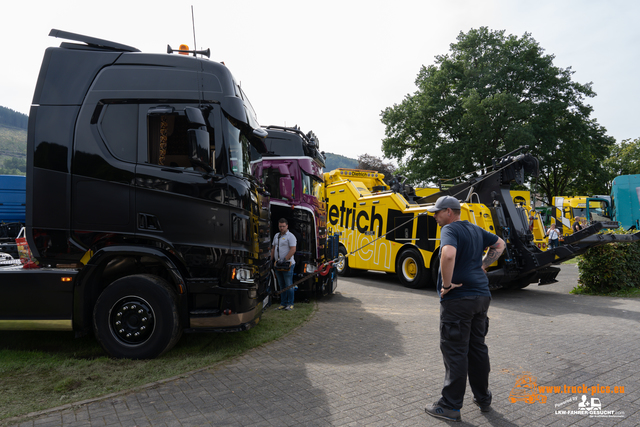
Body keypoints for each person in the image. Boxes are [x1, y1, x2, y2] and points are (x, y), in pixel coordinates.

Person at [424, 196, 506, 422]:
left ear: (449, 212)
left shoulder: (450, 230)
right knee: (477, 348)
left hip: (459, 300)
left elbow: (448, 254)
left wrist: (447, 285)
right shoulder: (476, 230)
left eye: (437, 213)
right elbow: (500, 244)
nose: (434, 217)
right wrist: (483, 265)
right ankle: (483, 398)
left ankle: (450, 406)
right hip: (481, 296)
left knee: (455, 351)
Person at [271, 218, 297, 310]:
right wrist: (271, 260)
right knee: (281, 285)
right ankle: (283, 304)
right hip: (278, 264)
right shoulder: (276, 236)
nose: (281, 228)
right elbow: (273, 248)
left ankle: (290, 304)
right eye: (280, 226)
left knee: (288, 285)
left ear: (287, 226)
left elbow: (293, 249)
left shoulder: (291, 236)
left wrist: (285, 259)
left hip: (287, 264)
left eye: (283, 226)